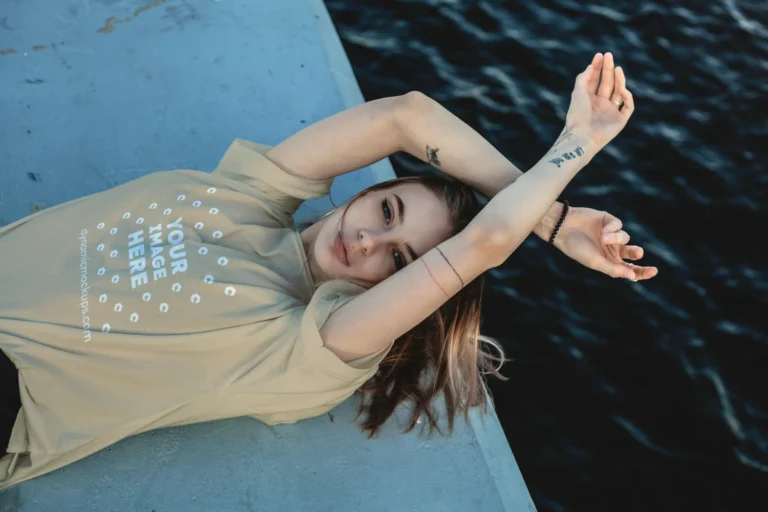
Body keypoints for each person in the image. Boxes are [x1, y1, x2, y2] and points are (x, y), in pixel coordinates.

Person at [0, 52, 656, 488]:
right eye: (387, 210)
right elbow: (404, 117)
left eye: (399, 261)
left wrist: (578, 144)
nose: (369, 239)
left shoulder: (307, 348)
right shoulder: (248, 192)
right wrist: (556, 216)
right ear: (364, 193)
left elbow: (483, 244)